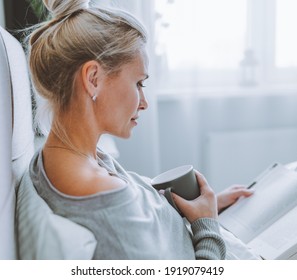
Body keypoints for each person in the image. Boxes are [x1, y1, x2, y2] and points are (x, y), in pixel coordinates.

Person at [27, 0, 254, 260]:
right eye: (138, 83)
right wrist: (207, 225)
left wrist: (199, 207)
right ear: (93, 79)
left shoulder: (76, 156)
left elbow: (137, 202)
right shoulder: (105, 197)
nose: (144, 103)